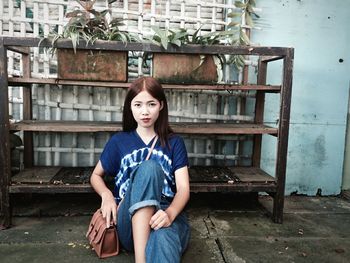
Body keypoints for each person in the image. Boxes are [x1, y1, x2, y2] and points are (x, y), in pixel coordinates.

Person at [90, 76, 191, 263]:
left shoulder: (174, 142)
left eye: (151, 104)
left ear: (161, 105)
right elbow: (96, 175)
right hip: (129, 220)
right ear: (130, 107)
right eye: (138, 105)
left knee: (164, 237)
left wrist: (169, 214)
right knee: (149, 168)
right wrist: (106, 195)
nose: (145, 111)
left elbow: (184, 189)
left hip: (165, 213)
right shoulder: (119, 142)